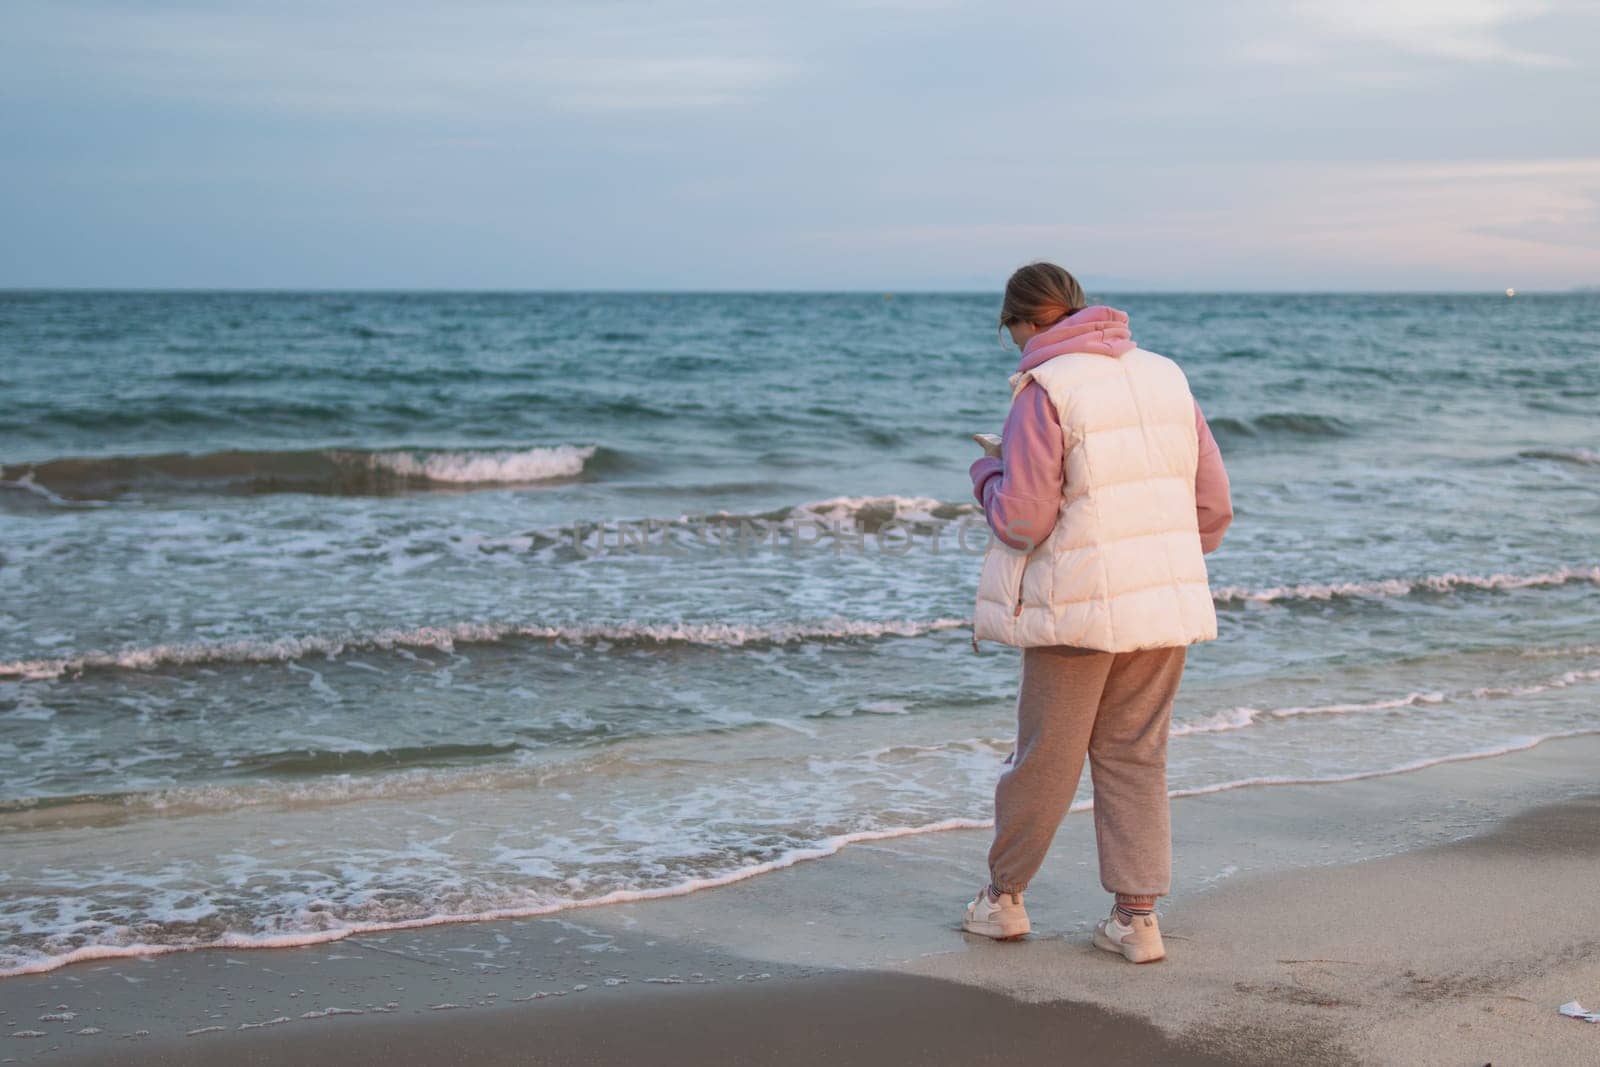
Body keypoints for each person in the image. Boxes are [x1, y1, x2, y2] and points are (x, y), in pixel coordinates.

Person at [961, 262, 1233, 964]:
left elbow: (1022, 522)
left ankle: (1004, 900)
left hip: (1076, 607)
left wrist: (986, 475)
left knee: (1046, 755)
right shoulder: (1165, 374)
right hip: (1162, 600)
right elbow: (1212, 508)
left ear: (1020, 322)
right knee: (1136, 752)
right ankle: (1137, 920)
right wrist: (1157, 557)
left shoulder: (1044, 386)